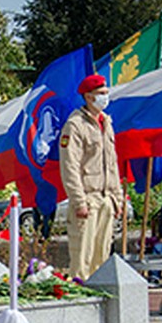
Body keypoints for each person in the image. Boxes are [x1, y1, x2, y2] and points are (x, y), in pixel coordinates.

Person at [59, 73, 123, 281]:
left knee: (102, 259)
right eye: (101, 94)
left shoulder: (107, 122)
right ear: (88, 97)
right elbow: (70, 167)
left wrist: (118, 199)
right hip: (88, 199)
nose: (105, 97)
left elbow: (112, 165)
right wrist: (79, 201)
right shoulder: (75, 125)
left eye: (106, 93)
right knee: (82, 260)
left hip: (106, 199)